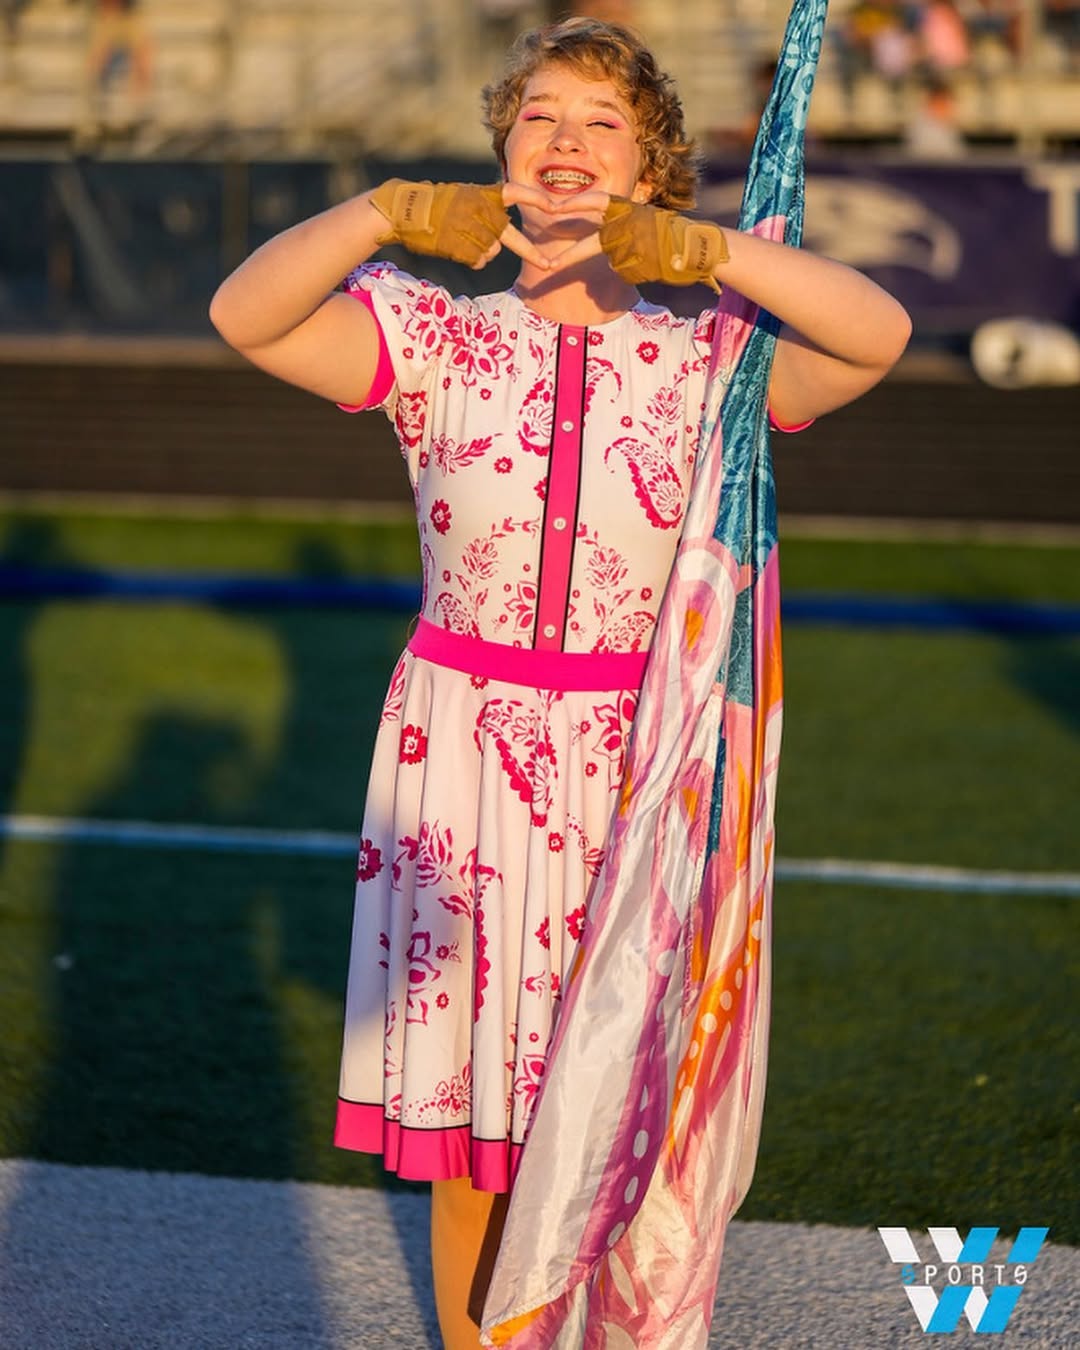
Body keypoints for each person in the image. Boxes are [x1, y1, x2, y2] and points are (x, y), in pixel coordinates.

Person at [210, 17, 910, 1349]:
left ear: (653, 169)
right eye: (539, 116)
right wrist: (384, 212)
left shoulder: (713, 360)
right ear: (502, 153)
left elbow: (877, 332)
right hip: (461, 763)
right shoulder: (431, 334)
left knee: (618, 1127)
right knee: (480, 1144)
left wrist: (703, 255)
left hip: (638, 772)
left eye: (603, 124)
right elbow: (245, 315)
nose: (567, 141)